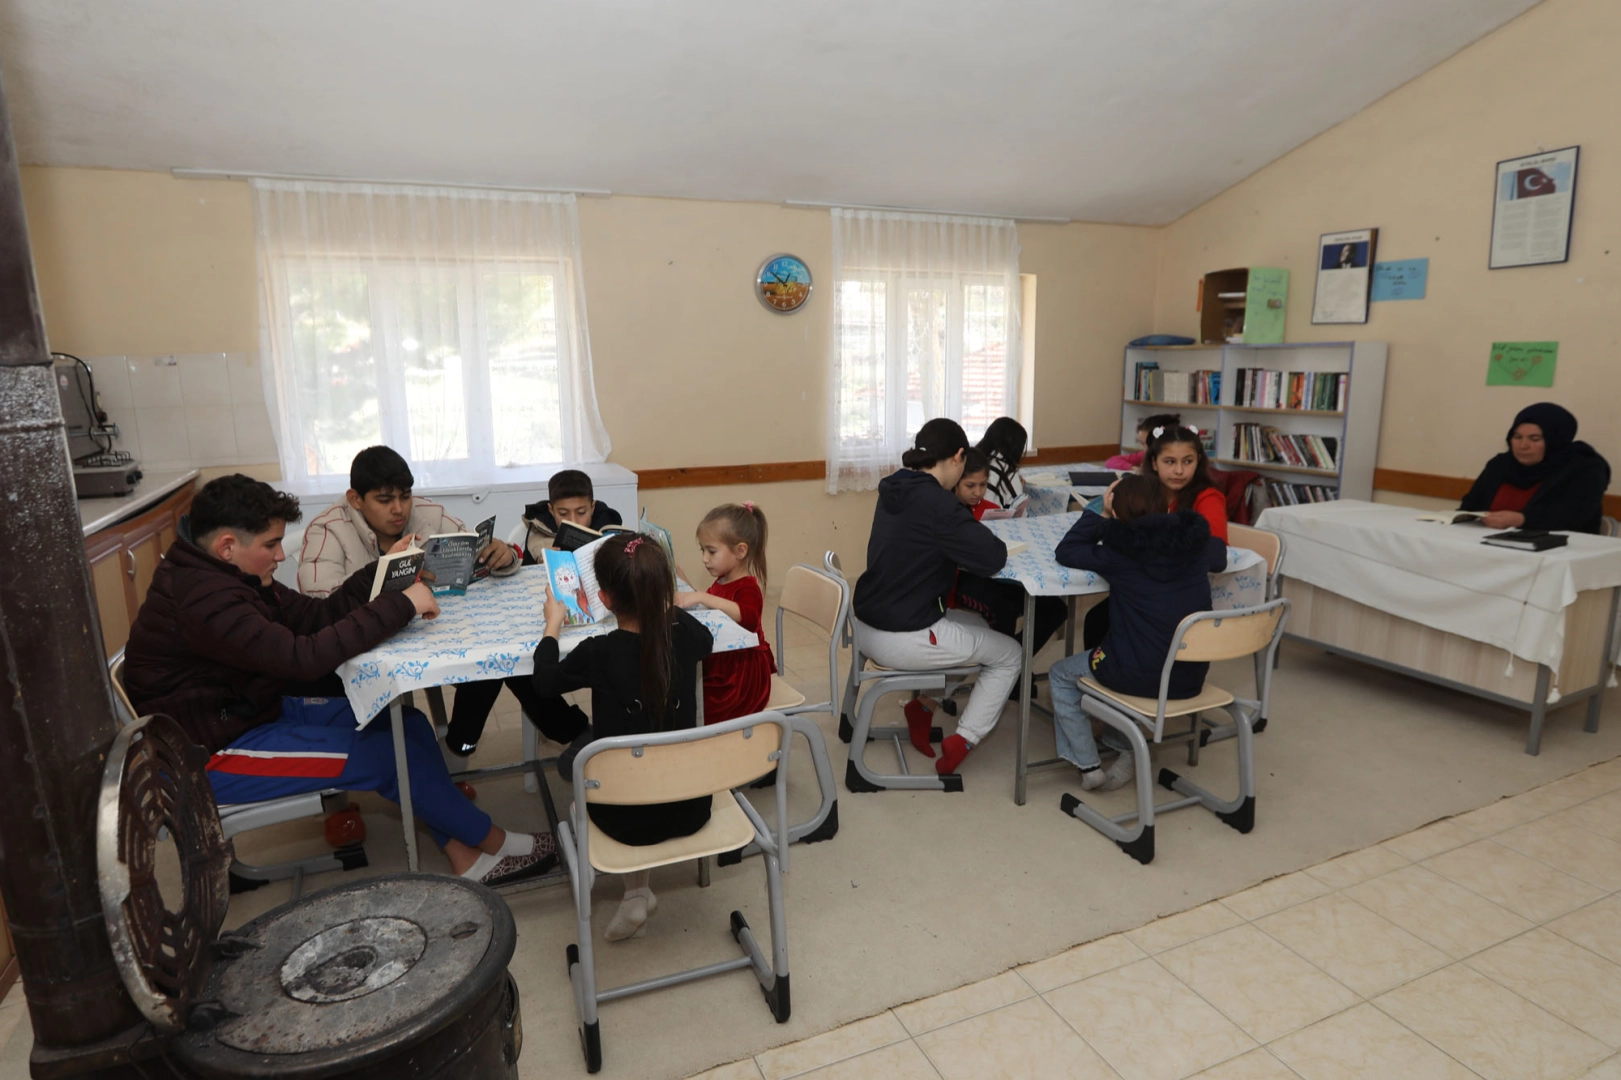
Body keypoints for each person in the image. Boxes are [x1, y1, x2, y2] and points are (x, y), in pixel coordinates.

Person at [124, 474, 553, 886]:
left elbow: (315, 617)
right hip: (205, 756)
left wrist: (383, 571)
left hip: (245, 712)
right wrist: (402, 605)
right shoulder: (206, 600)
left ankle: (466, 856)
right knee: (387, 756)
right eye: (271, 544)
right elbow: (304, 659)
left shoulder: (228, 576)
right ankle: (493, 841)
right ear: (227, 546)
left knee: (407, 725)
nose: (280, 555)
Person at [296, 445, 533, 759]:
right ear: (355, 499)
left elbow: (476, 551)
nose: (399, 509)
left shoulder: (427, 513)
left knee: (489, 658)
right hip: (366, 644)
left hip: (428, 632)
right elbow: (321, 607)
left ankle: (458, 747)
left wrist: (504, 556)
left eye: (405, 496)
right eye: (384, 500)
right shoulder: (327, 531)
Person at [535, 534, 715, 941]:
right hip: (690, 806)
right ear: (664, 592)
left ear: (603, 599)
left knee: (592, 771)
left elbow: (543, 682)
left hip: (622, 820)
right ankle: (636, 893)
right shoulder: (686, 635)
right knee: (644, 763)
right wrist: (663, 603)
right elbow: (706, 640)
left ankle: (634, 893)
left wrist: (552, 624)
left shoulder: (598, 652)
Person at [852, 418, 1023, 775]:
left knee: (979, 626)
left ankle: (923, 706)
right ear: (959, 457)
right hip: (904, 635)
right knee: (1009, 654)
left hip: (868, 623)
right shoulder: (939, 504)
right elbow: (992, 557)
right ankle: (964, 741)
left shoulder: (895, 487)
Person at [1048, 474, 1228, 790]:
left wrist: (1101, 514)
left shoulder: (1120, 553)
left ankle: (1089, 765)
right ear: (1167, 507)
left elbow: (1067, 550)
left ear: (1116, 512)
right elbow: (1220, 557)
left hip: (1134, 675)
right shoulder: (1195, 546)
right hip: (1188, 676)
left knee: (1060, 674)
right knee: (1117, 638)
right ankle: (1124, 746)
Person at [674, 503, 776, 724]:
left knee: (696, 704)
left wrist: (701, 596)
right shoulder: (722, 579)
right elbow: (711, 611)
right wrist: (686, 585)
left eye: (711, 551)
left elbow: (749, 618)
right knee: (683, 691)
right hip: (723, 663)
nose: (704, 558)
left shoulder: (748, 587)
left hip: (742, 676)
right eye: (702, 550)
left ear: (740, 551)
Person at [1458, 402, 1611, 534]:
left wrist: (1522, 520)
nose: (1523, 446)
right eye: (1517, 437)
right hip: (1486, 543)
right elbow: (1470, 506)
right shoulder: (1501, 464)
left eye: (1534, 439)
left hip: (1559, 548)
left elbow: (1573, 516)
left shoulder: (1585, 468)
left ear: (1555, 440)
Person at [519, 469, 625, 563]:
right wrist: (540, 564)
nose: (573, 521)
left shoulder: (609, 530)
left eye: (581, 512)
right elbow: (524, 573)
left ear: (592, 508)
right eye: (563, 513)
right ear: (551, 511)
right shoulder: (536, 538)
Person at [977, 416, 1030, 509]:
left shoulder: (976, 459)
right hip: (993, 516)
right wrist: (1017, 484)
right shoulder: (1006, 470)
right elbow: (1019, 510)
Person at [1105, 413, 1183, 471]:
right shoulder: (1145, 455)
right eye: (1142, 443)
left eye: (1149, 443)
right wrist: (1133, 467)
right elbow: (1111, 461)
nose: (1145, 449)